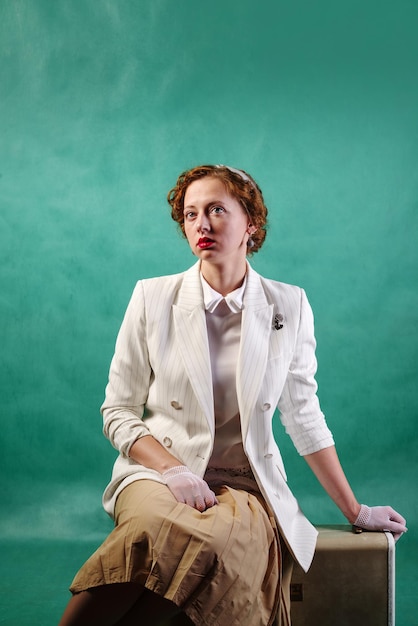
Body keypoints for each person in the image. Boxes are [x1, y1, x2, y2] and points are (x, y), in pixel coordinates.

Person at [58, 164, 407, 626]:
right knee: (154, 528)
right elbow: (118, 411)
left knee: (215, 542)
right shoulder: (151, 297)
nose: (201, 224)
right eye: (190, 214)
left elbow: (304, 416)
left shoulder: (290, 305)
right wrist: (175, 469)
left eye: (217, 210)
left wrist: (355, 509)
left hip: (245, 482)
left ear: (252, 225)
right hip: (158, 475)